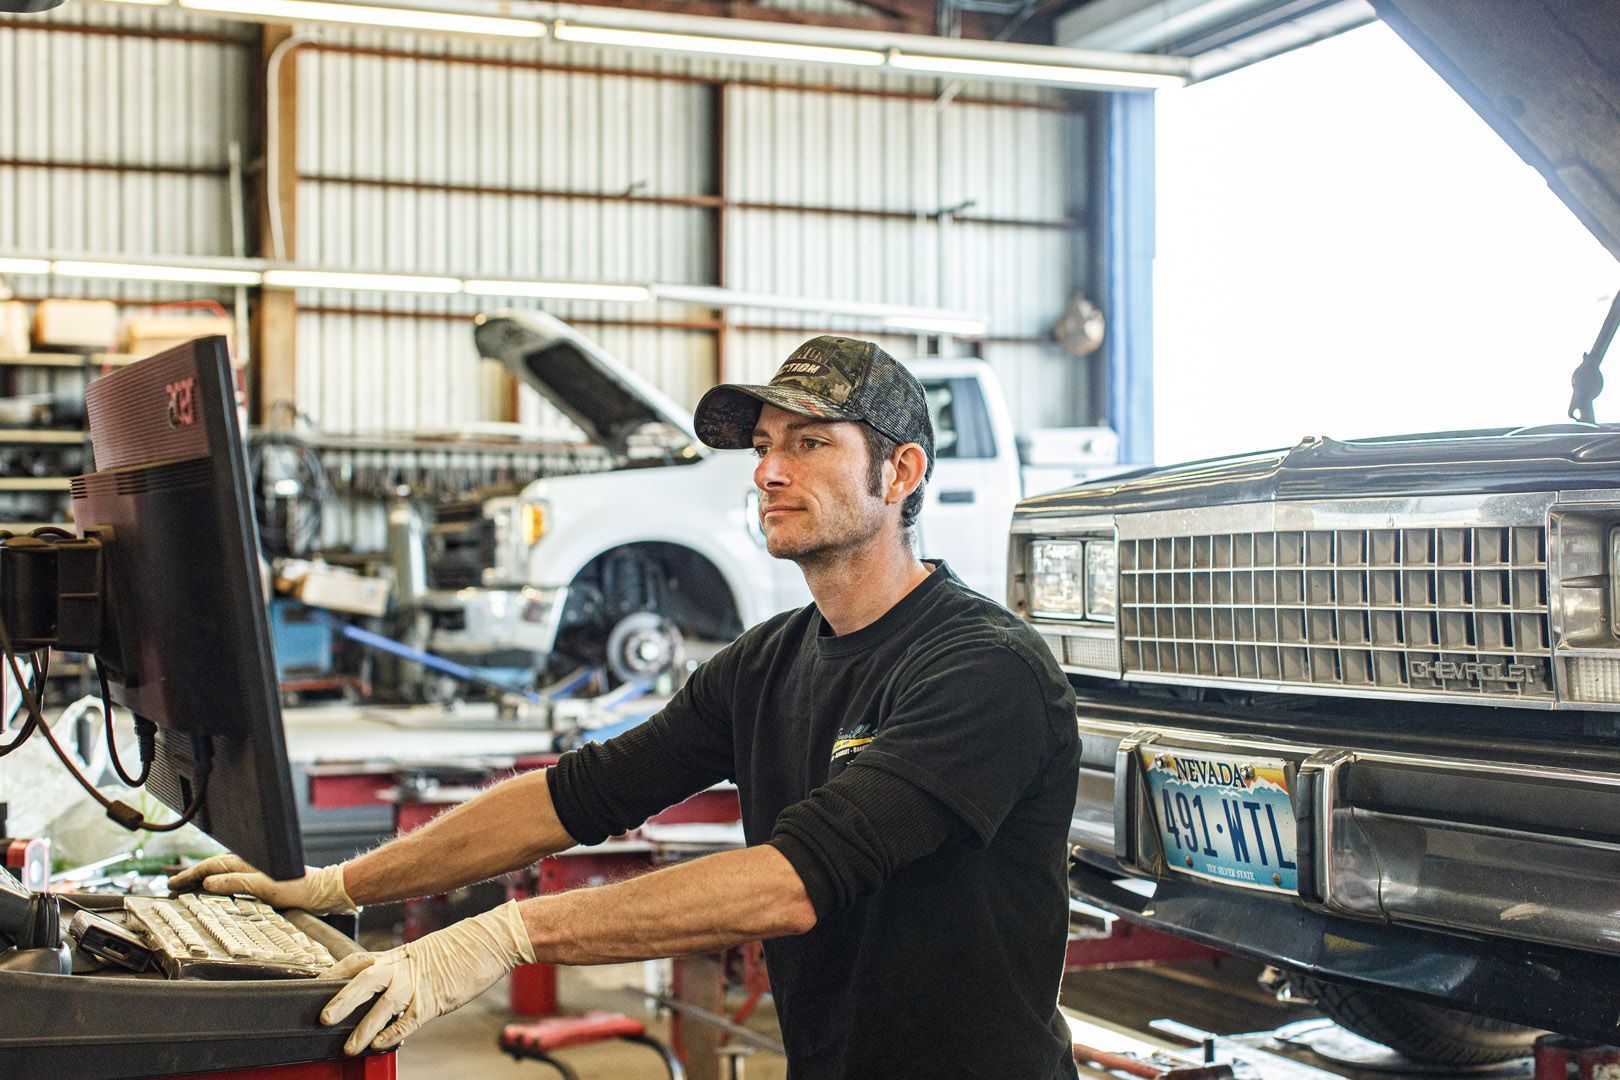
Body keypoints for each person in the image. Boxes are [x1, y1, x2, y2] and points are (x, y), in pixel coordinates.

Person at [172, 336, 1081, 1080]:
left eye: (810, 443)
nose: (768, 470)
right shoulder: (769, 661)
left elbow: (791, 882)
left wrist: (509, 933)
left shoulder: (982, 671)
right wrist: (335, 887)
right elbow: (576, 795)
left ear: (899, 474)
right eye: (764, 445)